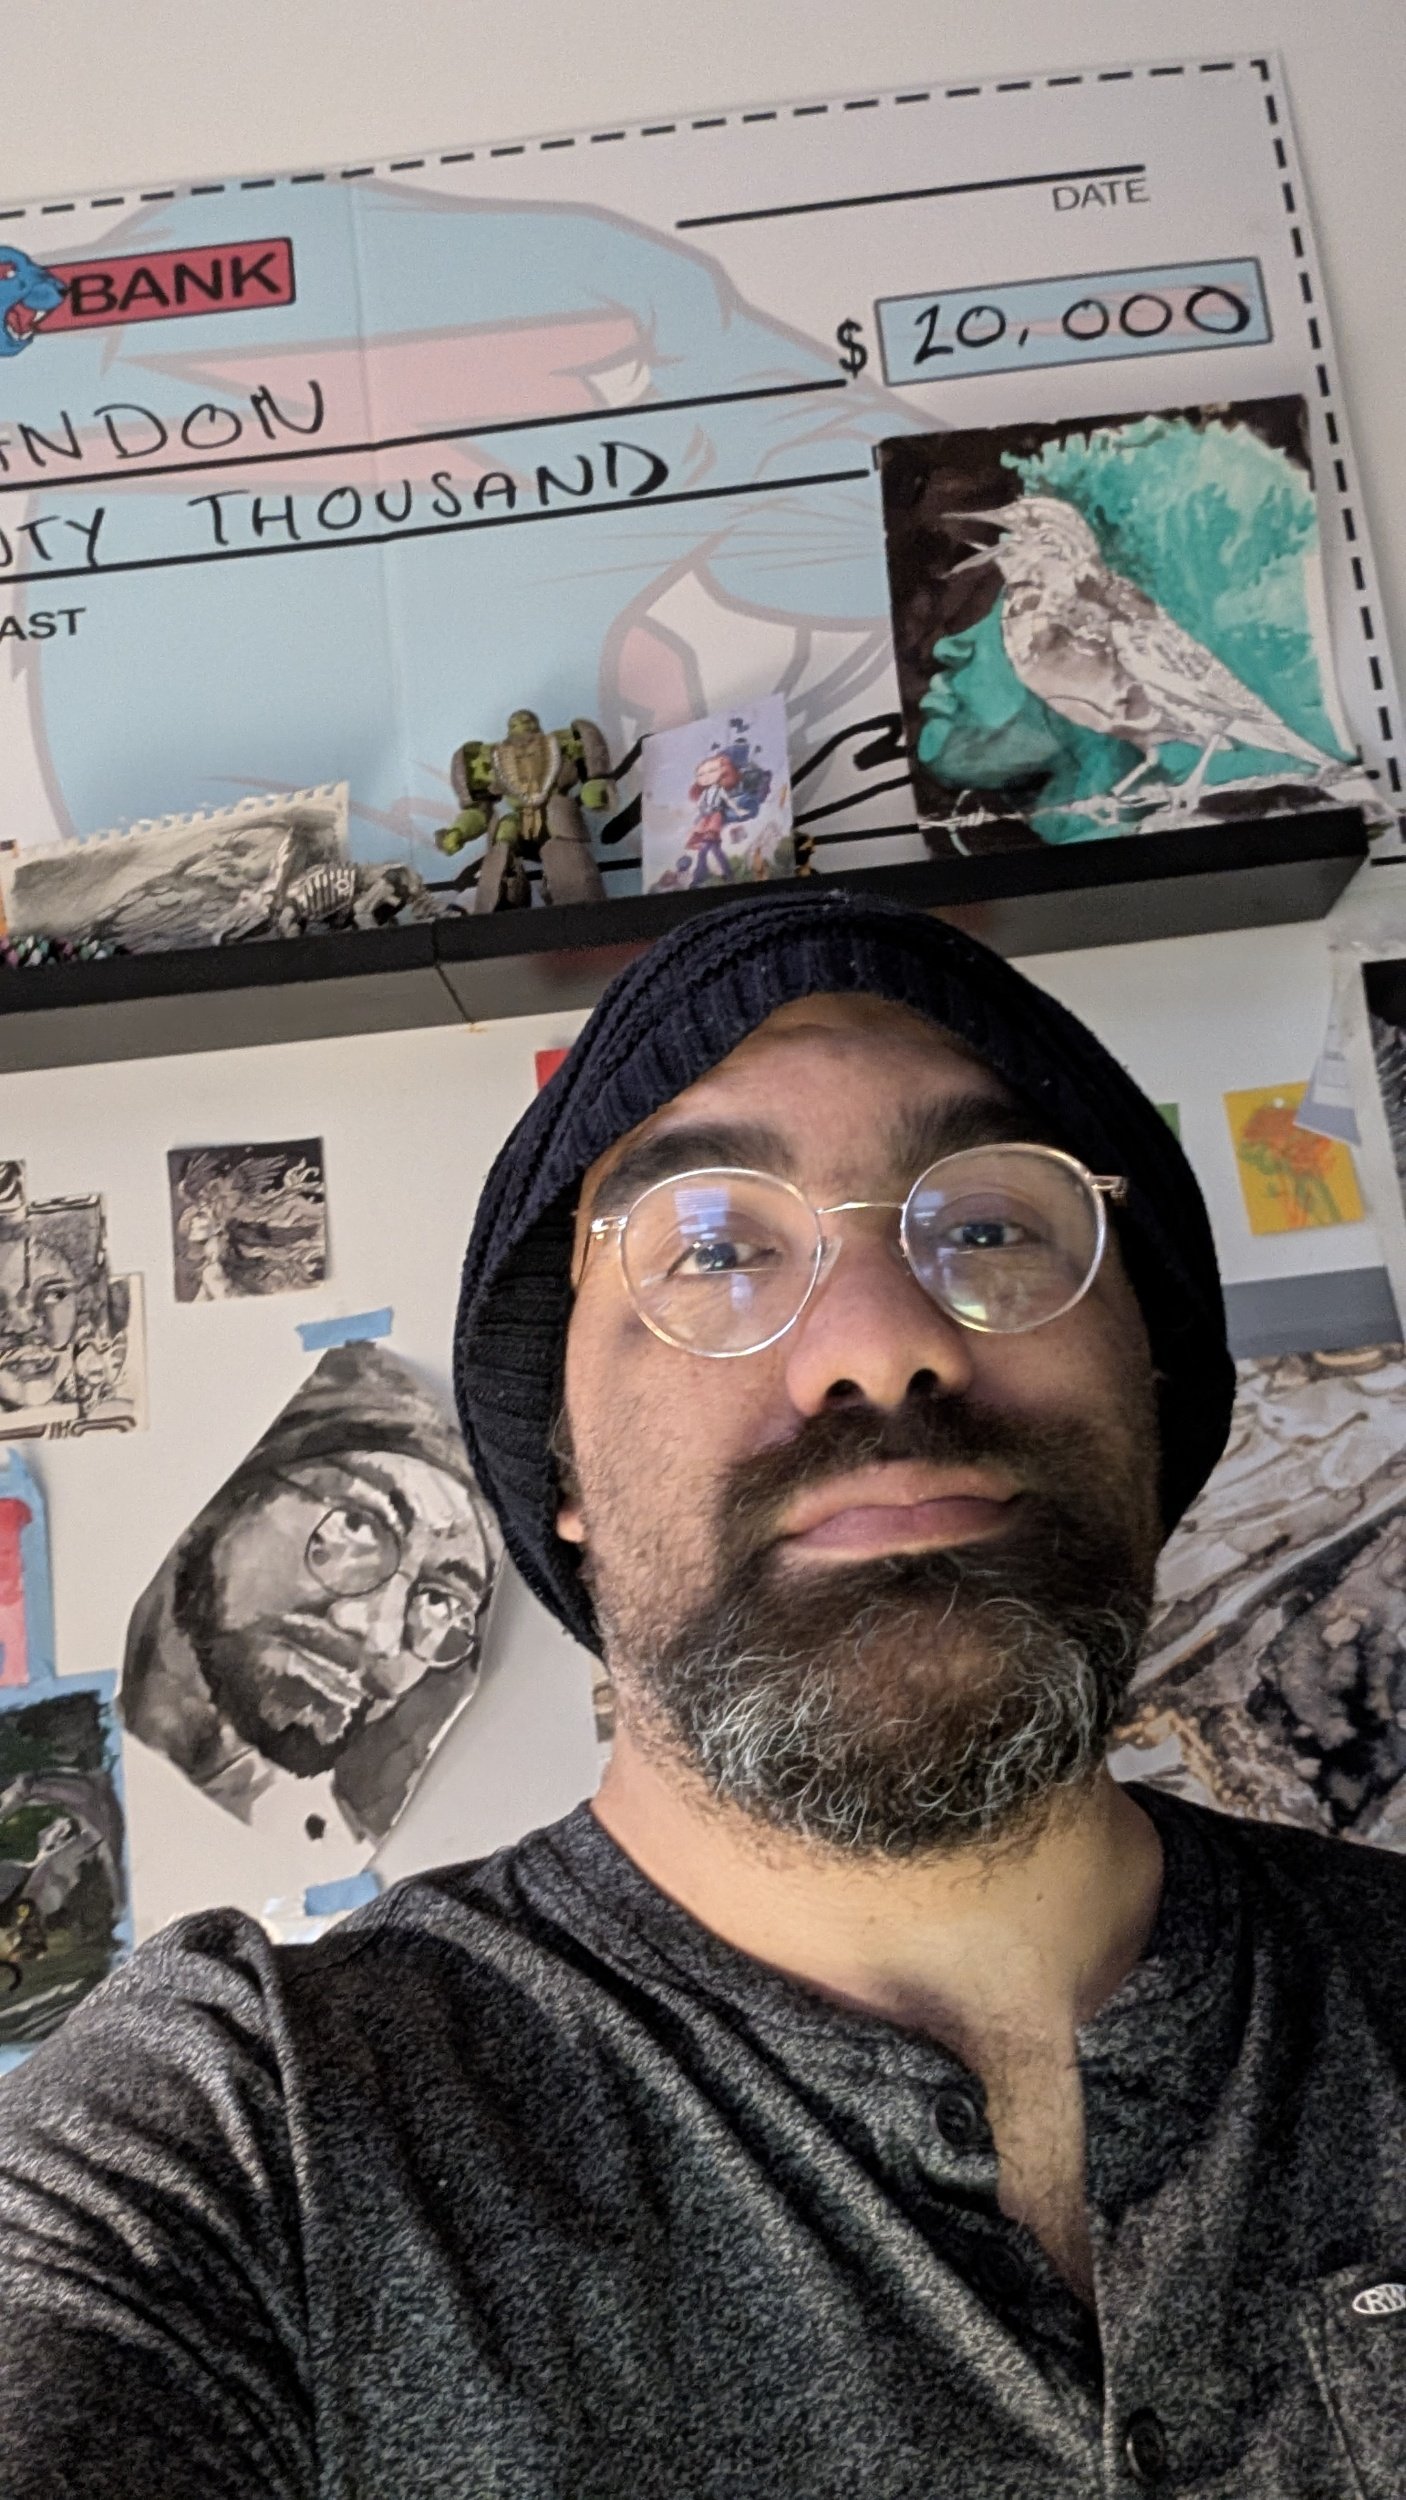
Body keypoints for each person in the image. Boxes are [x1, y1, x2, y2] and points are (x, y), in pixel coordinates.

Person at [2, 886, 1405, 2500]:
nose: (877, 1344)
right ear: (563, 1471)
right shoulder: (245, 2142)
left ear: (1149, 1391)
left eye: (991, 1227)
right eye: (717, 1249)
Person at [121, 1340, 502, 1843]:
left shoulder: (323, 1855)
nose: (379, 1636)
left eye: (442, 1605)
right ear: (238, 1501)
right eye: (356, 1530)